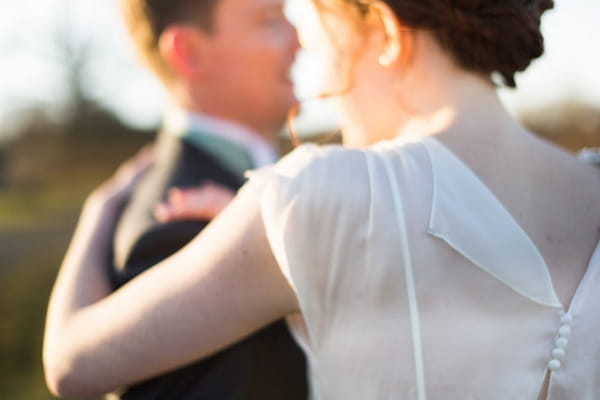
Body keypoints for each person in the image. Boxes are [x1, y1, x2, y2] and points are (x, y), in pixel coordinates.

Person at [43, 0, 600, 398]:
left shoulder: (317, 199)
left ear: (385, 29)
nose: (313, 61)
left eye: (321, 30)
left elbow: (71, 366)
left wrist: (99, 213)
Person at [68, 0, 307, 398]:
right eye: (271, 21)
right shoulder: (179, 228)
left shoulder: (271, 187)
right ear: (189, 53)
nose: (299, 40)